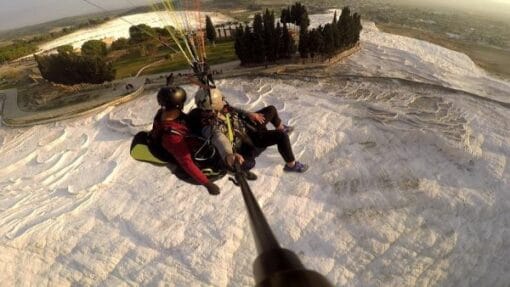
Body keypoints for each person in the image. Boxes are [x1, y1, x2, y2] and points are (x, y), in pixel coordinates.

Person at [189, 87, 308, 174]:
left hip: (247, 126)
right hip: (251, 140)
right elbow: (219, 139)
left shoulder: (215, 108)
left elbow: (232, 109)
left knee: (271, 110)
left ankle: (281, 127)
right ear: (214, 104)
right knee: (281, 136)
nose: (223, 99)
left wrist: (250, 114)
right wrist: (229, 155)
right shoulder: (209, 125)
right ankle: (291, 165)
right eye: (221, 99)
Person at [150, 87, 221, 196]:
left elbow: (170, 102)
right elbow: (187, 163)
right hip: (187, 165)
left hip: (183, 133)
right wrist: (208, 184)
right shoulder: (172, 137)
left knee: (196, 114)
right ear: (179, 105)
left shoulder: (163, 112)